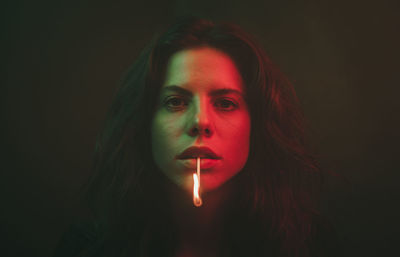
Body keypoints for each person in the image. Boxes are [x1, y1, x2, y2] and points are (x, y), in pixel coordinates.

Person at [54, 16, 341, 257]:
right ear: (144, 121)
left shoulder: (307, 246)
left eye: (225, 103)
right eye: (176, 102)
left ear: (257, 124)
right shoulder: (89, 248)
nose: (200, 122)